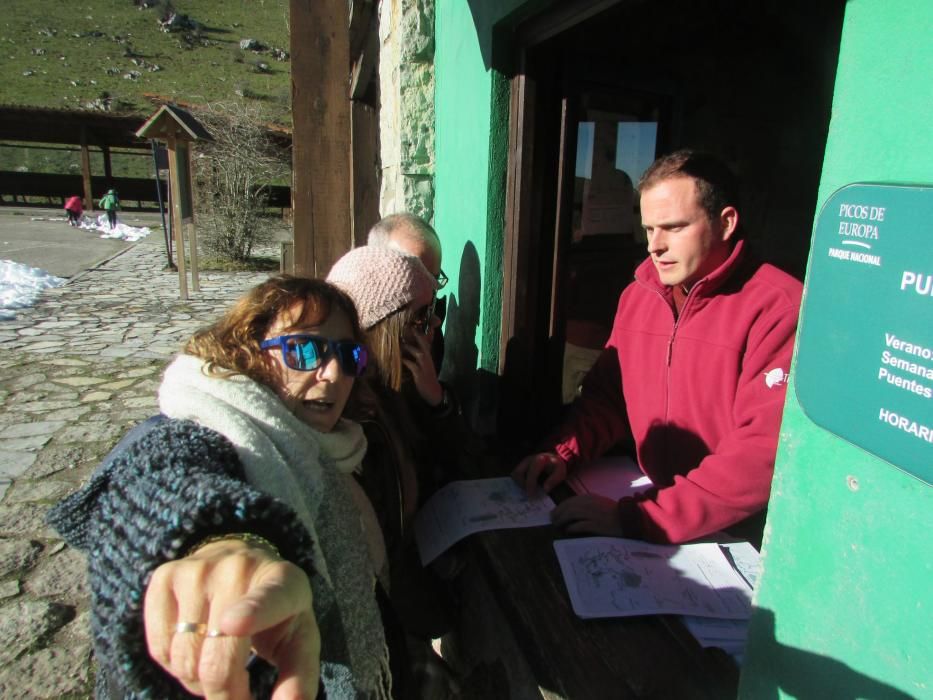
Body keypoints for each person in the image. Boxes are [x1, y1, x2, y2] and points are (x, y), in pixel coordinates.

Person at [47, 276, 392, 699]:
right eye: (305, 350)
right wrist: (218, 539)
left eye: (348, 355)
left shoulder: (332, 452)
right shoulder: (208, 426)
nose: (335, 373)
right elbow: (162, 470)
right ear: (250, 351)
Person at [513, 149, 803, 545]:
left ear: (726, 223)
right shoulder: (640, 295)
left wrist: (646, 518)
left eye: (674, 227)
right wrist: (562, 452)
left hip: (730, 534)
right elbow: (609, 398)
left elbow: (760, 455)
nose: (655, 245)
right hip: (648, 500)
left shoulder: (777, 308)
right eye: (648, 229)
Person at [328, 245, 474, 697]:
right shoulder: (348, 423)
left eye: (436, 314)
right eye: (422, 318)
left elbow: (463, 465)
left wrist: (437, 400)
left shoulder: (397, 391)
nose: (434, 328)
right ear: (384, 329)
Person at [367, 213, 449, 370]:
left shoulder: (431, 329)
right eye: (412, 276)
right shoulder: (352, 340)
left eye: (433, 278)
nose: (427, 289)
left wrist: (437, 393)